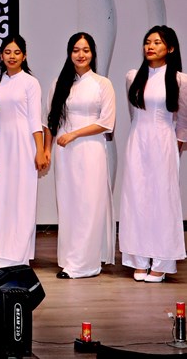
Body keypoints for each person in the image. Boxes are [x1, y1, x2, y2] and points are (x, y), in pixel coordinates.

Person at [119, 25, 187, 283]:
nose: (150, 46)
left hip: (164, 141)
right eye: (148, 42)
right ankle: (138, 260)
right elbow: (134, 113)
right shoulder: (133, 76)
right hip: (138, 140)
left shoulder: (180, 80)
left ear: (170, 48)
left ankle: (161, 262)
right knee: (136, 197)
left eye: (157, 42)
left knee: (162, 200)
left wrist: (174, 150)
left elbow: (183, 121)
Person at [44, 32, 114, 279]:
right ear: (69, 53)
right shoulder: (60, 83)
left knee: (88, 204)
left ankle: (86, 264)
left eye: (85, 50)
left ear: (93, 53)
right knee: (68, 204)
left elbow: (106, 122)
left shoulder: (102, 84)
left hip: (91, 150)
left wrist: (74, 134)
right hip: (64, 153)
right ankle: (69, 260)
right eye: (75, 50)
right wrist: (46, 150)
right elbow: (50, 122)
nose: (80, 54)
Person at [0, 35, 48, 269]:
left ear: (24, 55)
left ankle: (19, 255)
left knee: (22, 197)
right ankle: (1, 253)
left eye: (17, 52)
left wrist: (39, 151)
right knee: (0, 197)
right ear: (1, 55)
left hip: (24, 145)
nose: (12, 56)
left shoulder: (31, 83)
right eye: (8, 52)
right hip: (1, 145)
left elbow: (35, 120)